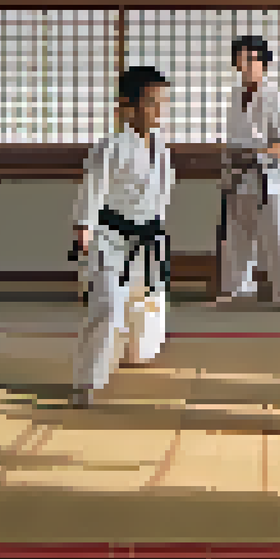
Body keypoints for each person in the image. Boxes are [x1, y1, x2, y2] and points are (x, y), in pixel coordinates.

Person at [70, 66, 176, 408]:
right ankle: (87, 381)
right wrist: (83, 229)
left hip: (147, 238)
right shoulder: (110, 147)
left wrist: (158, 231)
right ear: (128, 106)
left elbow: (162, 196)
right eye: (151, 102)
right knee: (107, 307)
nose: (159, 110)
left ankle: (134, 354)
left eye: (162, 102)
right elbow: (92, 191)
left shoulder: (161, 147)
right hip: (110, 237)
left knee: (146, 306)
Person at [213, 35, 280, 310]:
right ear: (236, 63)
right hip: (237, 175)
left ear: (264, 63)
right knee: (237, 237)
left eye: (254, 59)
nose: (248, 64)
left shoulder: (275, 98)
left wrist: (255, 153)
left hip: (267, 177)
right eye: (243, 59)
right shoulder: (234, 96)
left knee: (277, 237)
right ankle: (239, 290)